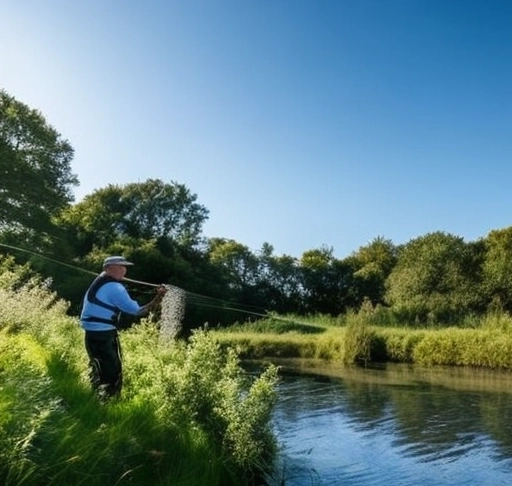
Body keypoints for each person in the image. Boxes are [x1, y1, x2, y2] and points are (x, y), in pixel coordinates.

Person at [80, 255, 167, 399]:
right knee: (112, 371)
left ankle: (94, 397)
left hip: (91, 332)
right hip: (102, 334)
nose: (124, 270)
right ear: (108, 268)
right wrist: (159, 298)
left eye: (125, 266)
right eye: (120, 266)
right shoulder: (115, 287)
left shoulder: (101, 279)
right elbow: (138, 311)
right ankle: (108, 403)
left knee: (97, 365)